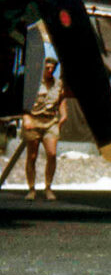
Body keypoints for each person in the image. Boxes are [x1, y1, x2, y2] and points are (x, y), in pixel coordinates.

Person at [21, 54, 69, 200]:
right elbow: (23, 102)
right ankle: (31, 189)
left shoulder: (58, 84)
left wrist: (63, 116)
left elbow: (62, 99)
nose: (50, 70)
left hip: (50, 122)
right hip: (34, 121)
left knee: (52, 154)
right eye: (47, 67)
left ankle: (48, 187)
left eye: (52, 68)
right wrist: (26, 118)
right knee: (32, 156)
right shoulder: (32, 83)